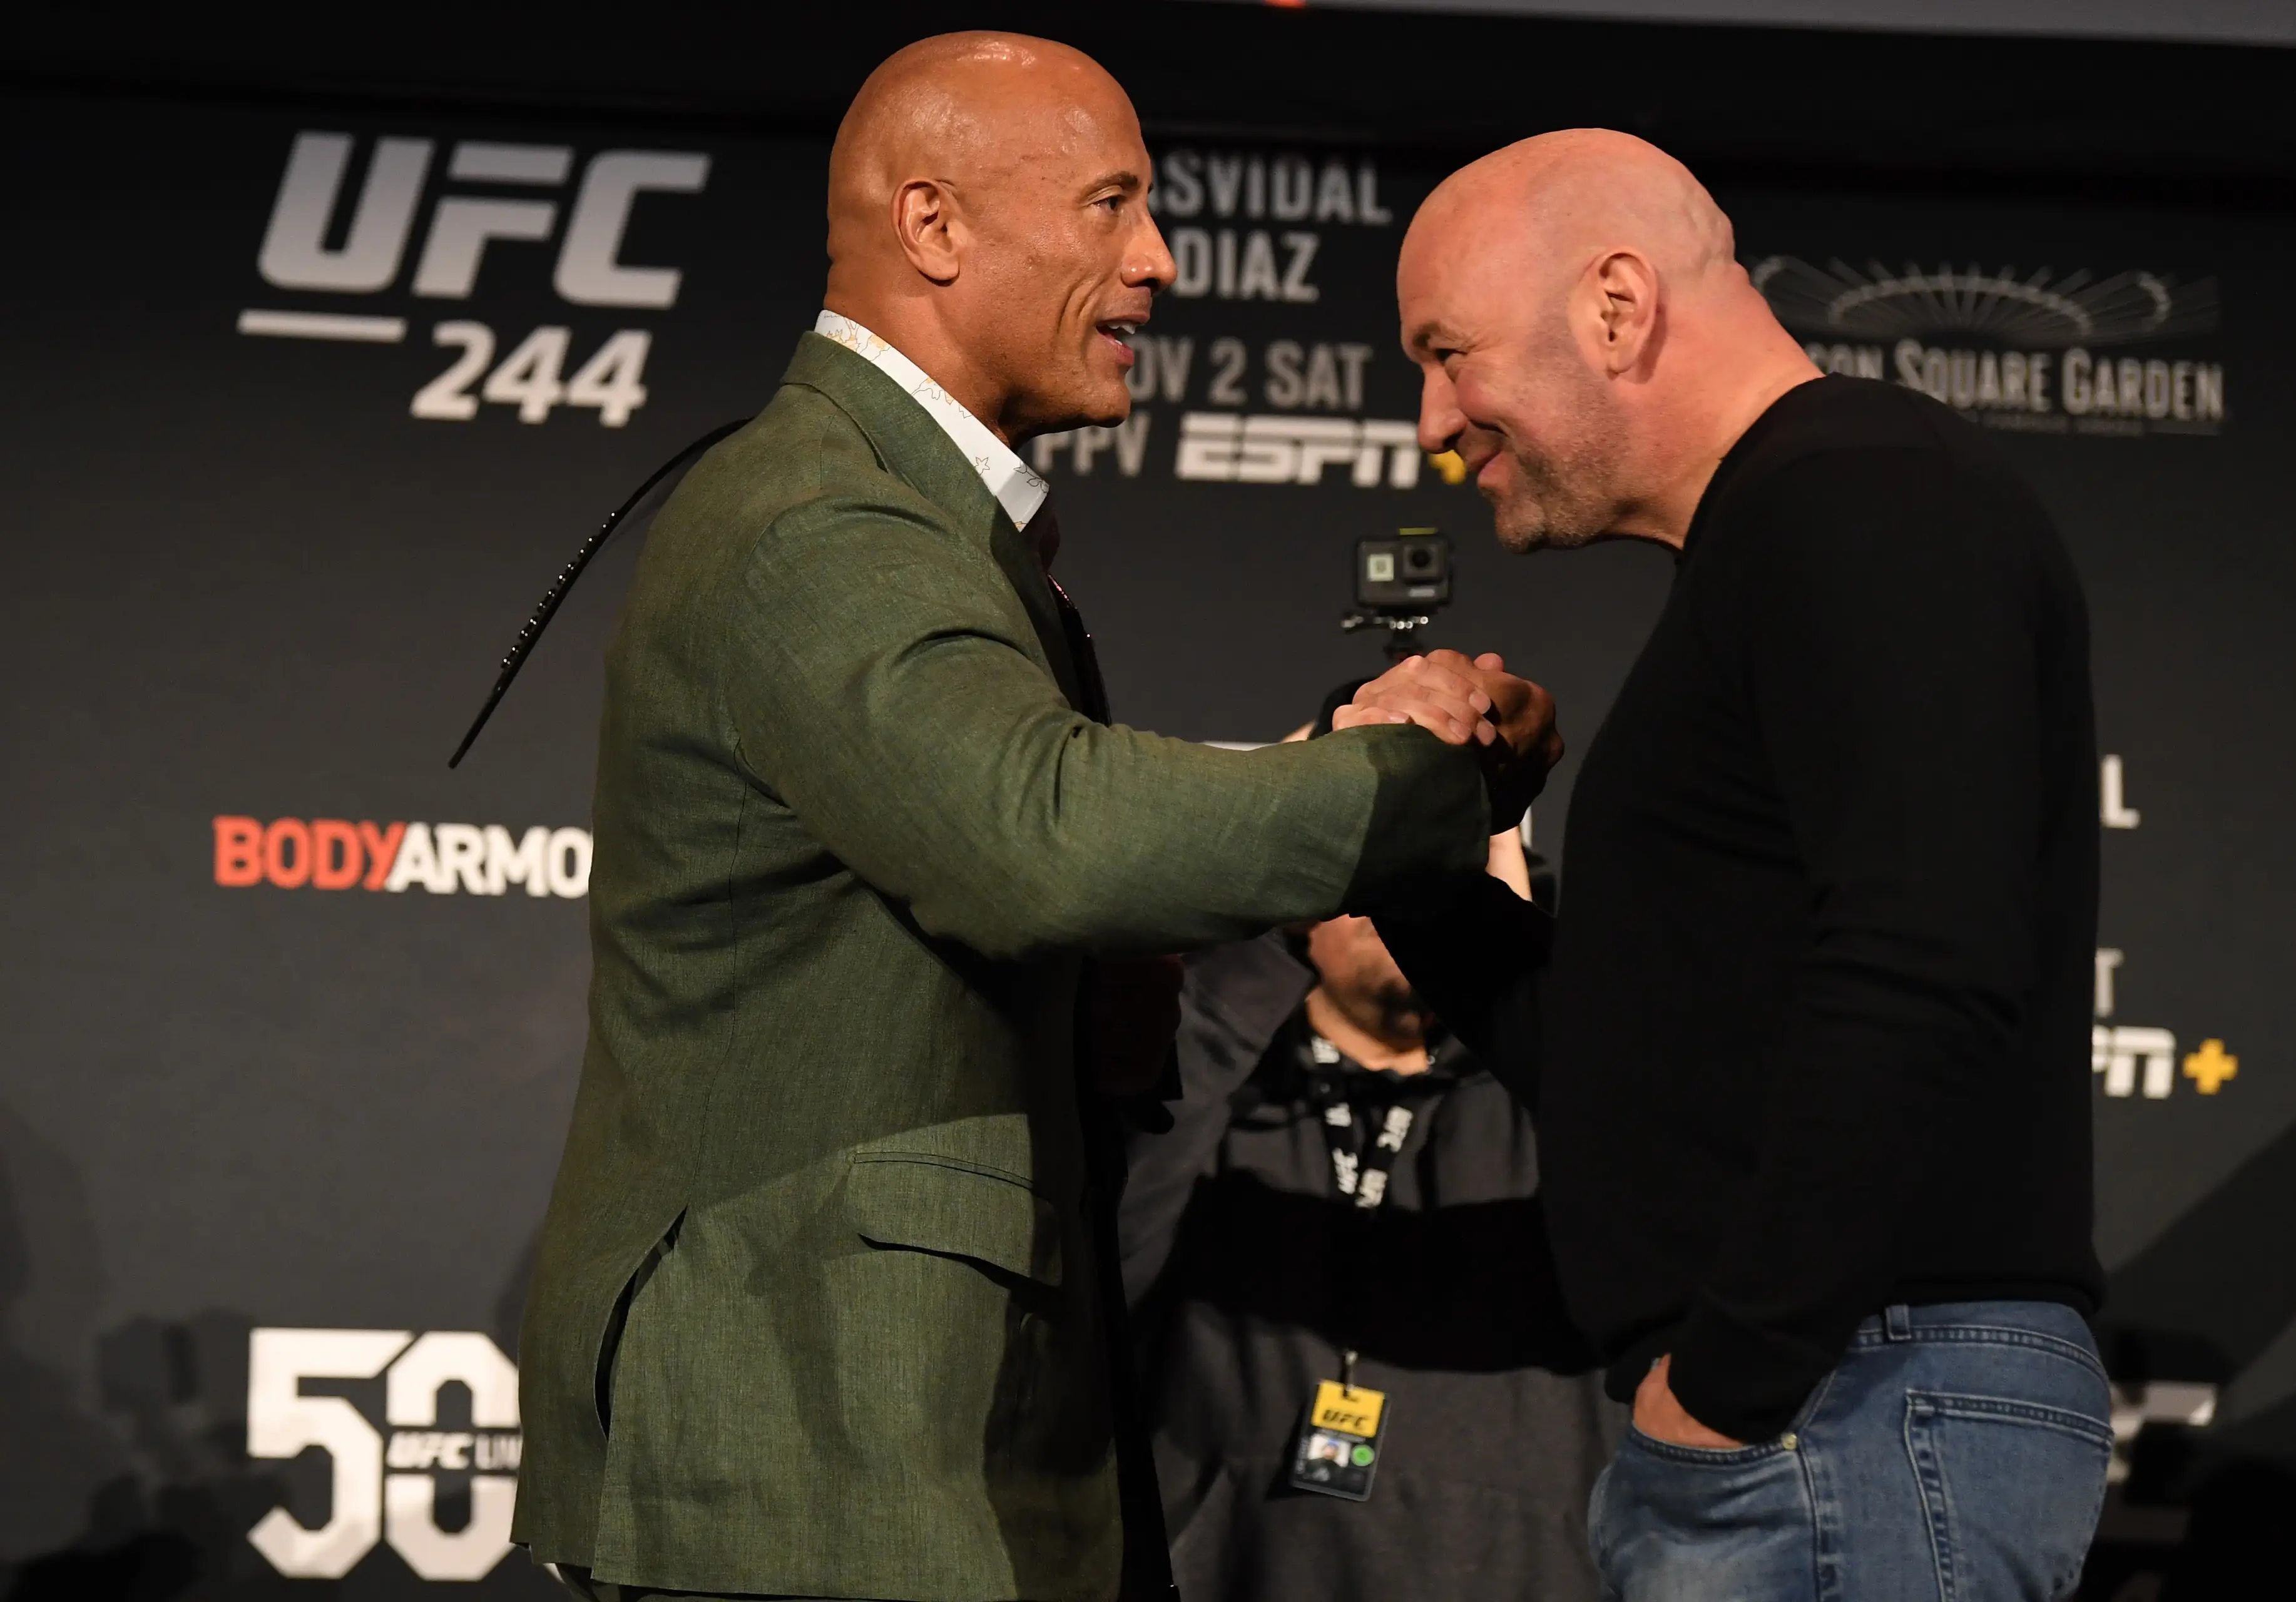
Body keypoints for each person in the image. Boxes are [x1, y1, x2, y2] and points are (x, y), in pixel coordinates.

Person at [509, 32, 1558, 1602]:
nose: (1158, 257)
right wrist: (1419, 777)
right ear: (934, 227)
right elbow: (1048, 840)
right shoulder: (824, 519)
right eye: (1111, 205)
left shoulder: (917, 523)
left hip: (886, 1430)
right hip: (809, 1439)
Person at [1344, 131, 2111, 1599]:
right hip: (1817, 1411)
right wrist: (1410, 823)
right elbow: (1607, 1066)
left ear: (1618, 306)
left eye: (1448, 353)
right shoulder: (1781, 540)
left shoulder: (1867, 496)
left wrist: (1731, 1381)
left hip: (1855, 1404)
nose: (1433, 420)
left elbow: (1928, 957)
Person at [1121, 715, 1620, 1602]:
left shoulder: (1560, 1102)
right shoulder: (1214, 1087)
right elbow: (1112, 1246)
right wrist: (1282, 830)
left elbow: (1642, 1196)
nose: (1393, 894)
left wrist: (1511, 952)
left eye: (1426, 857)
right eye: (1368, 866)